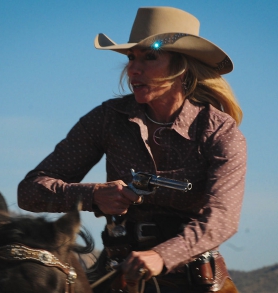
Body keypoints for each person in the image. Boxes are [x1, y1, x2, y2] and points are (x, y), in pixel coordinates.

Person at [18, 6, 246, 293]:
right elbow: (29, 191)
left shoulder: (219, 131)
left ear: (182, 66)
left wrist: (162, 256)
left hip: (194, 278)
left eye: (150, 57)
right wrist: (93, 196)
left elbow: (221, 219)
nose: (133, 69)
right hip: (117, 273)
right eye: (131, 58)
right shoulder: (107, 118)